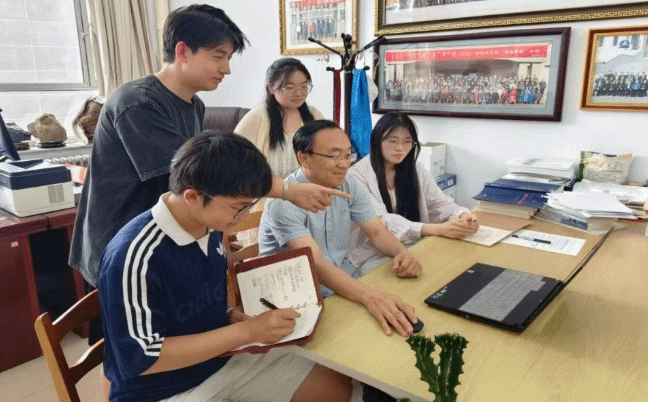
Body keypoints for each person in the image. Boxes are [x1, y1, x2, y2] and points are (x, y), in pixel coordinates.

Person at [70, 4, 347, 322]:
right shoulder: (138, 103)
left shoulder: (194, 105)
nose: (226, 69)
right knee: (132, 343)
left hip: (167, 242)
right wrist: (286, 190)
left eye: (229, 58)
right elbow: (200, 175)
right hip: (124, 246)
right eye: (218, 56)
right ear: (182, 51)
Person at [98, 131, 356, 402]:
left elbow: (192, 299)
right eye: (239, 208)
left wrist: (229, 316)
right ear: (193, 197)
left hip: (219, 360)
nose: (244, 216)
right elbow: (141, 357)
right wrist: (246, 332)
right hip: (161, 390)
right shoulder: (133, 257)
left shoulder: (210, 224)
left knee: (334, 385)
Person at [259, 119, 423, 337]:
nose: (344, 164)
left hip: (342, 282)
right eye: (334, 156)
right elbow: (314, 264)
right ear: (304, 157)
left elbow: (376, 231)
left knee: (407, 304)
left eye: (347, 155)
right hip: (296, 296)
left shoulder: (349, 183)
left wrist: (402, 254)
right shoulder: (283, 203)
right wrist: (369, 296)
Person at [348, 112, 478, 273]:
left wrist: (463, 216)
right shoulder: (356, 176)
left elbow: (439, 203)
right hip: (371, 254)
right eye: (393, 141)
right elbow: (381, 221)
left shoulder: (416, 169)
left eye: (407, 142)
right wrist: (437, 229)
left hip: (413, 246)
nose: (400, 148)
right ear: (377, 140)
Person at [235, 57, 324, 177]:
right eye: (289, 87)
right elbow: (236, 163)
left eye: (304, 86)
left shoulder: (315, 116)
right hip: (266, 188)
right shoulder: (256, 118)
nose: (299, 93)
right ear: (271, 88)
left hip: (309, 188)